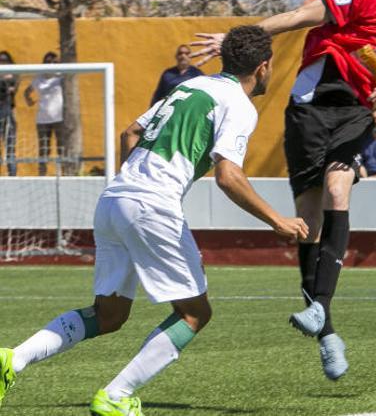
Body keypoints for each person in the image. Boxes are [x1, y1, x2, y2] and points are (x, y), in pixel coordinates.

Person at [0, 26, 308, 414]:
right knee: (195, 313)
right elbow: (229, 175)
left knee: (108, 315)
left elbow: (132, 131)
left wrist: (133, 182)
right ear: (264, 68)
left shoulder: (188, 88)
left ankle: (14, 359)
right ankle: (115, 397)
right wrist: (277, 220)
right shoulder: (239, 104)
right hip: (151, 205)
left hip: (114, 199)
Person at [191, 0, 376, 380]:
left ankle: (319, 308)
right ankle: (328, 332)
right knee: (309, 224)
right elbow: (300, 16)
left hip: (355, 114)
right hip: (308, 111)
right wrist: (238, 39)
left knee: (338, 190)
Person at [24, 51, 64, 176]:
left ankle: (62, 173)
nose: (51, 64)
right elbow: (27, 91)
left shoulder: (61, 77)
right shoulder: (39, 78)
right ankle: (42, 174)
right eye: (48, 61)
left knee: (61, 148)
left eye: (54, 62)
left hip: (60, 118)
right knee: (44, 149)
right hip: (42, 119)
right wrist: (29, 101)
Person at [0, 51, 18, 176]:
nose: (3, 62)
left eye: (5, 60)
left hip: (7, 110)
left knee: (10, 146)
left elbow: (13, 88)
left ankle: (12, 173)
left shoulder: (13, 75)